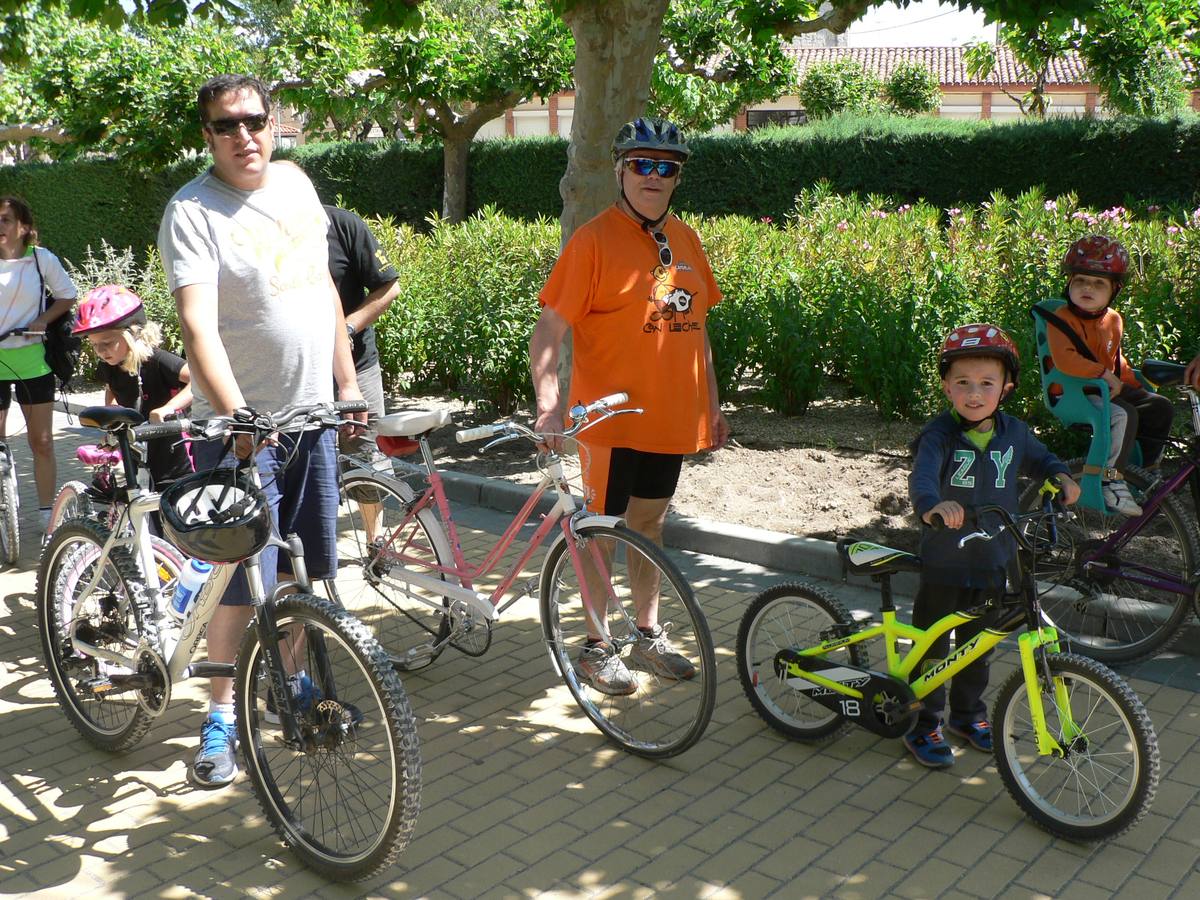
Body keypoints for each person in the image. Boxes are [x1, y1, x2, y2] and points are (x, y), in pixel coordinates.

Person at [157, 73, 364, 789]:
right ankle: (219, 716)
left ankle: (291, 681)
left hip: (312, 419)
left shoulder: (297, 185)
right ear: (207, 136)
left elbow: (325, 289)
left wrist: (345, 383)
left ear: (272, 123)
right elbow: (196, 323)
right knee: (242, 584)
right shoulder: (193, 211)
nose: (243, 136)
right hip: (242, 431)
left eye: (254, 121)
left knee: (304, 567)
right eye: (225, 126)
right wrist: (239, 411)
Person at [528, 116, 730, 696]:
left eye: (667, 167)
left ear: (677, 178)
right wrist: (549, 407)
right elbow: (548, 332)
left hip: (670, 418)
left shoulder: (687, 239)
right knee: (601, 532)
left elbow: (698, 330)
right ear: (620, 170)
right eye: (642, 164)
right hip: (609, 422)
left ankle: (645, 634)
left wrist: (712, 406)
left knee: (650, 525)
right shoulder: (592, 240)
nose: (654, 175)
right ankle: (596, 647)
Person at [907, 323, 1080, 768]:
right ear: (947, 387)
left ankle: (967, 716)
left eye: (986, 383)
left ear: (1006, 387)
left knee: (977, 647)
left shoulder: (1014, 432)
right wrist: (932, 506)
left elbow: (1041, 457)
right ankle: (923, 722)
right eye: (962, 383)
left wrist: (1059, 475)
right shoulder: (939, 436)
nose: (974, 393)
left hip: (993, 560)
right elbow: (922, 478)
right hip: (945, 561)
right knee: (932, 647)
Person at [1041, 235, 1174, 516]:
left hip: (1106, 387)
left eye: (1098, 283)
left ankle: (1144, 473)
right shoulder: (1061, 319)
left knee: (1159, 407)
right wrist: (1102, 374)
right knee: (1122, 415)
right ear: (1069, 283)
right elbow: (1066, 361)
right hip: (1074, 390)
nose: (1087, 287)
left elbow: (1116, 362)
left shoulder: (1113, 319)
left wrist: (1134, 385)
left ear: (1115, 289)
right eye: (1080, 280)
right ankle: (1108, 481)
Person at [0, 195, 78, 530]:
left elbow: (68, 295)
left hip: (33, 360)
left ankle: (49, 514)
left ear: (25, 227)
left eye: (5, 219)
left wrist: (43, 320)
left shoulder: (40, 259)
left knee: (42, 441)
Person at [73, 284, 194, 490]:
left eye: (108, 342)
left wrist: (168, 408)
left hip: (174, 451)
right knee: (141, 503)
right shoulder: (110, 364)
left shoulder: (157, 360)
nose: (101, 351)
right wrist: (112, 415)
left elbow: (197, 380)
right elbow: (111, 388)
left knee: (174, 506)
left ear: (133, 334)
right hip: (139, 449)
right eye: (94, 345)